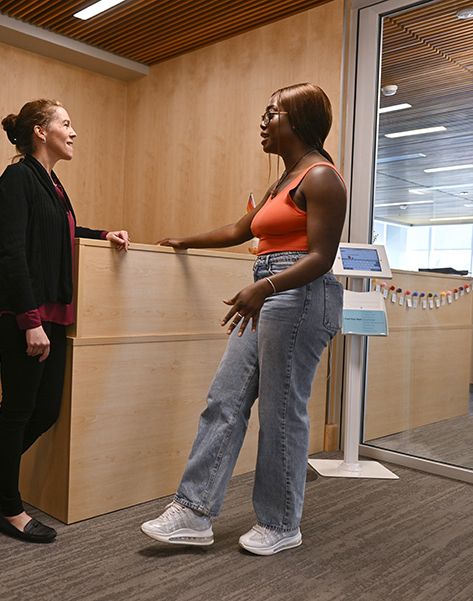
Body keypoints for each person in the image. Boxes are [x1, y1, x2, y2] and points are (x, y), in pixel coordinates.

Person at [141, 83, 345, 556]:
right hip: (267, 291)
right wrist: (183, 241)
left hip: (298, 295)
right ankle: (193, 512)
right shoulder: (282, 180)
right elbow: (241, 229)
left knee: (279, 413)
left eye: (272, 113)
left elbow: (321, 256)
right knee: (224, 400)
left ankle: (280, 523)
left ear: (298, 122)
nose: (263, 121)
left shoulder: (321, 178)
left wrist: (265, 287)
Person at [0, 99, 130, 543]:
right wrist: (30, 321)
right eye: (66, 123)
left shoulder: (52, 183)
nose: (73, 132)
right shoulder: (17, 178)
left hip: (51, 315)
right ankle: (10, 509)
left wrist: (101, 235)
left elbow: (62, 232)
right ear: (40, 131)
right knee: (19, 410)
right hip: (24, 316)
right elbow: (12, 253)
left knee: (45, 410)